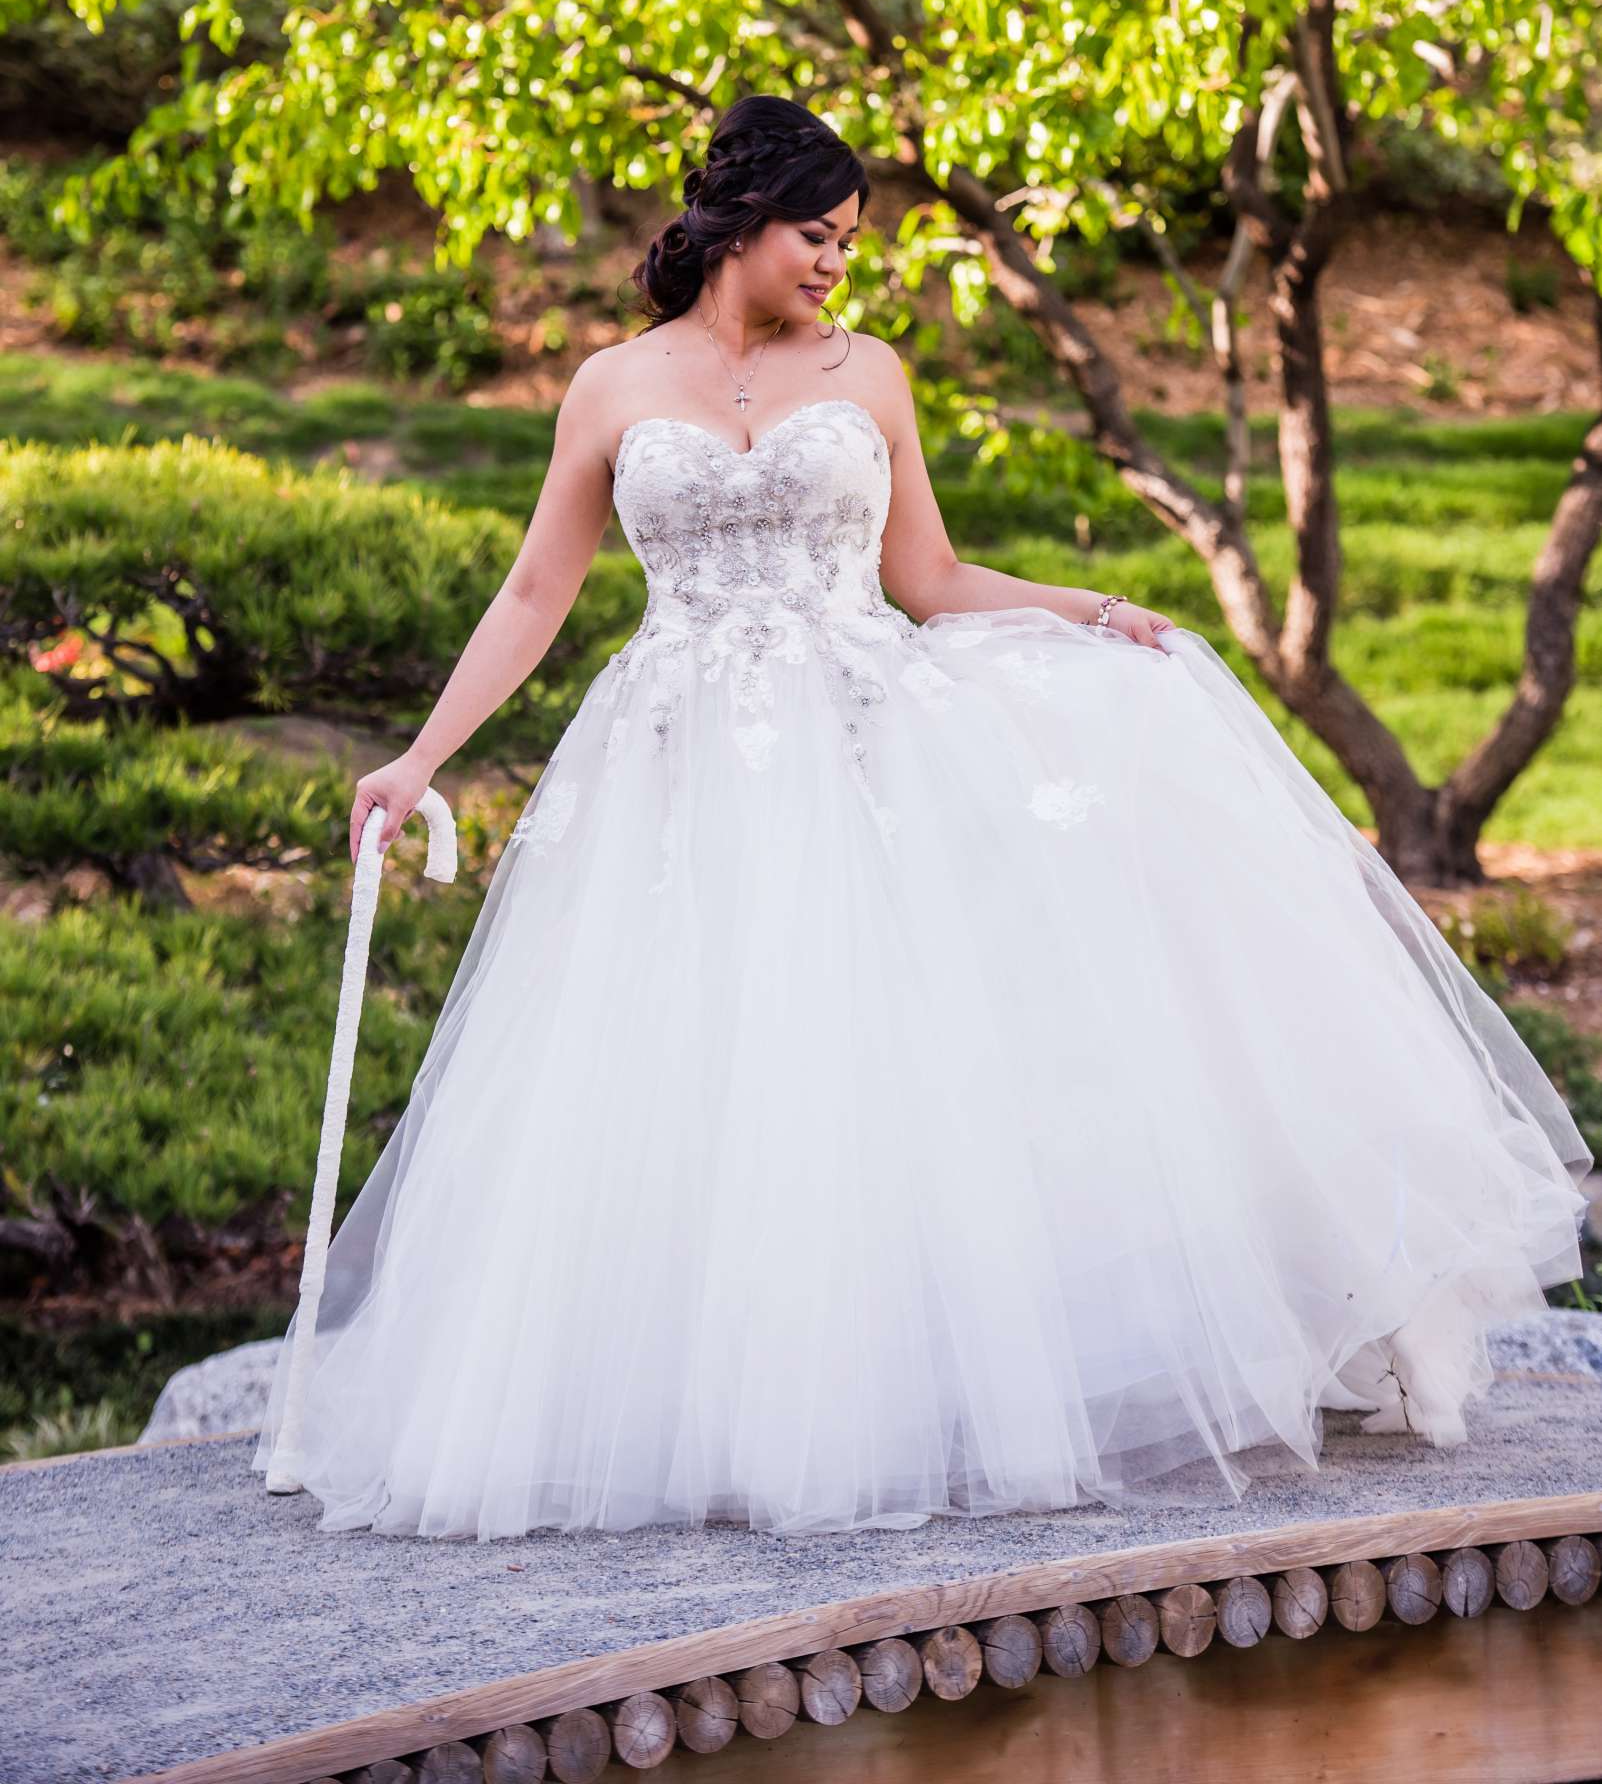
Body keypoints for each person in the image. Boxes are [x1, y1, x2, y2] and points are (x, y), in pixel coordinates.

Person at [251, 93, 1592, 1541]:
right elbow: (535, 593)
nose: (836, 262)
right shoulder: (609, 387)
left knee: (887, 1068)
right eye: (816, 235)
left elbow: (929, 578)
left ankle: (907, 1395)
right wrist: (417, 759)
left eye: (846, 240)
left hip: (858, 745)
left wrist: (1085, 610)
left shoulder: (869, 374)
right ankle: (692, 1407)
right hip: (674, 759)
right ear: (739, 223)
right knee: (685, 1072)